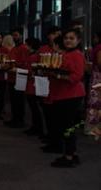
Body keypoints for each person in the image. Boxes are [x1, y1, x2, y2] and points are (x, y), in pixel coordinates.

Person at [49, 29, 86, 167]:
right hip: (64, 94)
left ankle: (69, 157)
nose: (68, 40)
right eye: (66, 38)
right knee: (66, 126)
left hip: (71, 95)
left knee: (67, 126)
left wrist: (57, 75)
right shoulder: (67, 54)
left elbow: (76, 76)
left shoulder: (76, 55)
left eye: (71, 38)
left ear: (78, 41)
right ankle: (72, 154)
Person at [5, 28, 30, 128]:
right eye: (13, 35)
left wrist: (12, 65)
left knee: (19, 100)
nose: (14, 37)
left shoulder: (23, 48)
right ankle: (15, 119)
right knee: (13, 100)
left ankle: (20, 120)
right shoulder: (14, 48)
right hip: (11, 77)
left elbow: (24, 63)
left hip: (19, 78)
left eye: (16, 35)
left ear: (21, 36)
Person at [23, 37, 43, 136]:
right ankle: (35, 126)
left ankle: (37, 127)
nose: (25, 46)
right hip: (30, 84)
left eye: (26, 44)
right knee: (33, 108)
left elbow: (33, 71)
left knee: (35, 108)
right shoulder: (31, 55)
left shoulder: (34, 56)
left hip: (33, 85)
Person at [85, 31, 101, 136]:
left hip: (95, 77)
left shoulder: (96, 48)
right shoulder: (100, 48)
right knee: (96, 102)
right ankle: (94, 128)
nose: (94, 39)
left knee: (95, 102)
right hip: (98, 78)